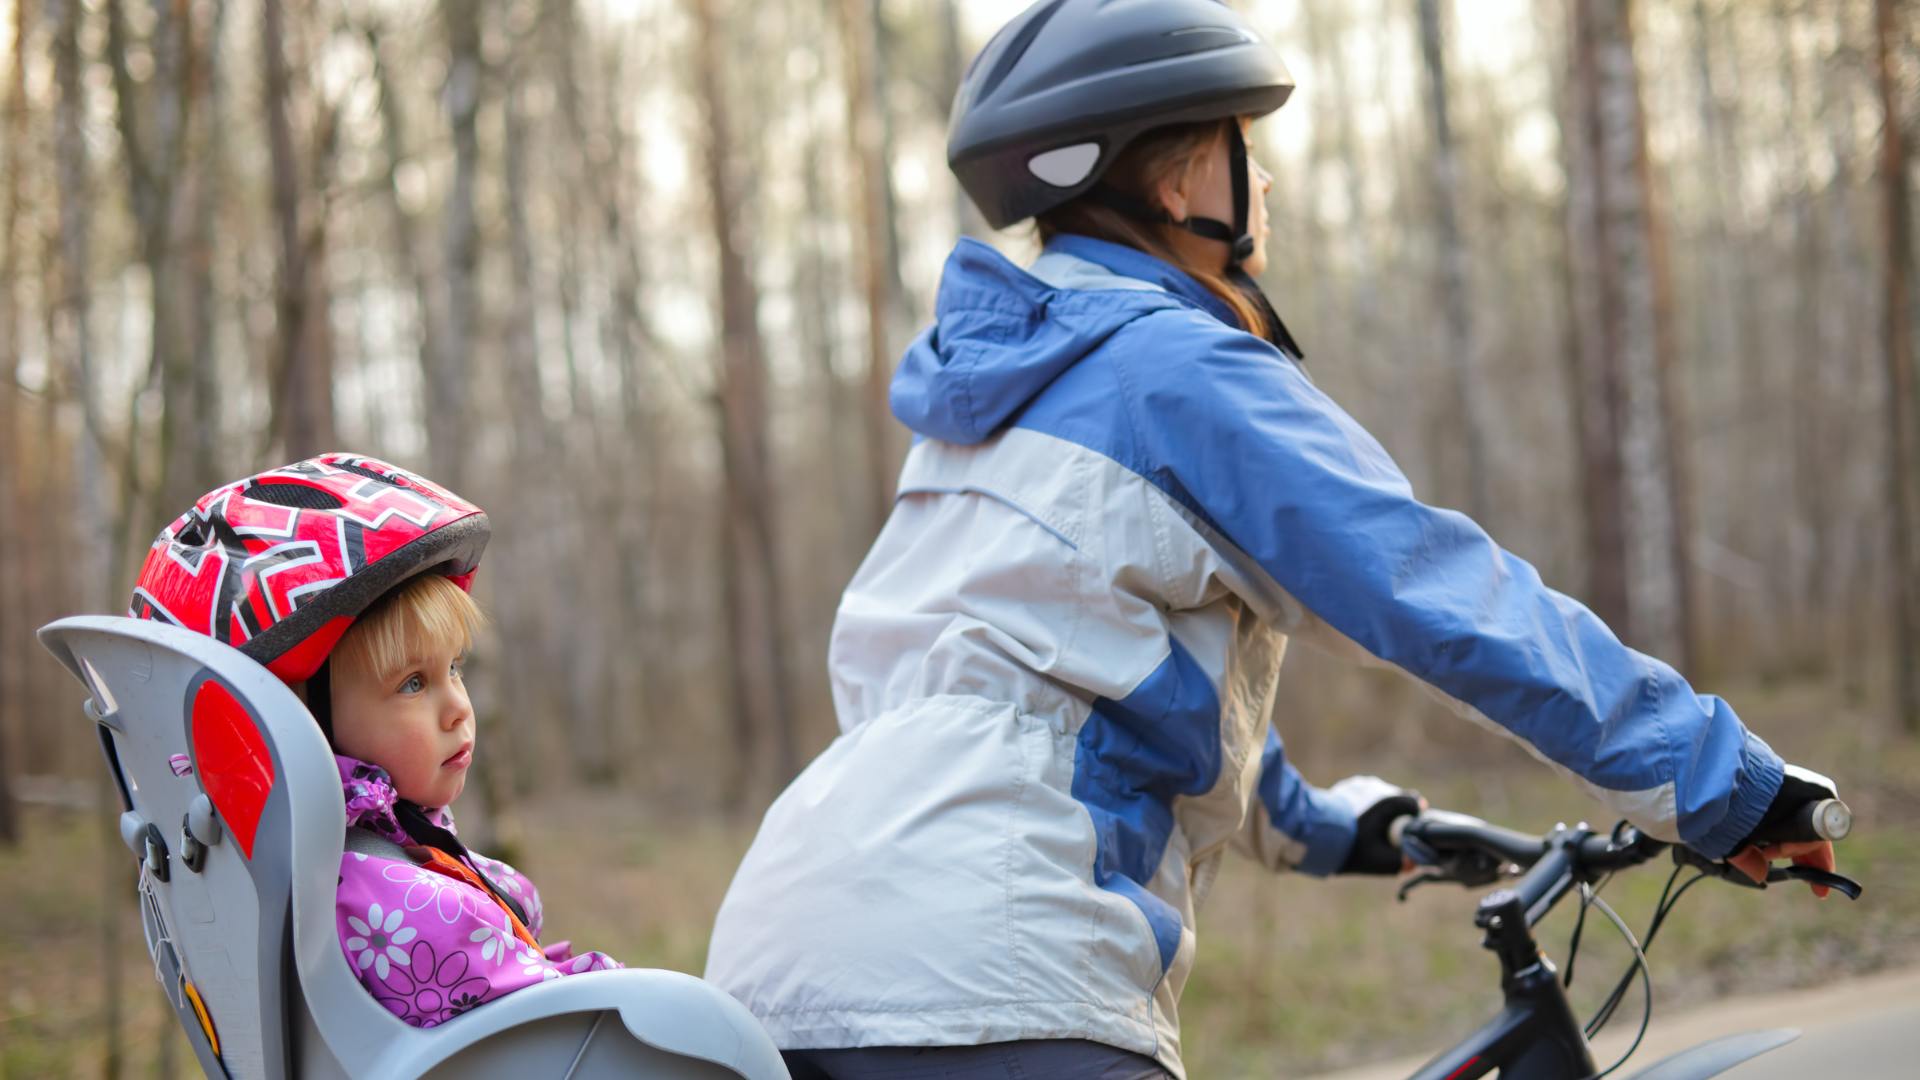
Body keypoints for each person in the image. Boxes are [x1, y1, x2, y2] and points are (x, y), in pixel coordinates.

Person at [702, 2, 1844, 1078]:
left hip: (783, 963)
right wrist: (1719, 781)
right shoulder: (1176, 367)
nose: (1267, 179)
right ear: (1184, 169)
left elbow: (1077, 706)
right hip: (991, 970)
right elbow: (1436, 588)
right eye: (1246, 142)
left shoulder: (979, 403)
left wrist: (1348, 831)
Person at [133, 452, 619, 1028]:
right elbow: (578, 1032)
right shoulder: (403, 912)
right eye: (413, 684)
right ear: (297, 716)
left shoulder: (336, 865)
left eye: (454, 669)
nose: (458, 708)